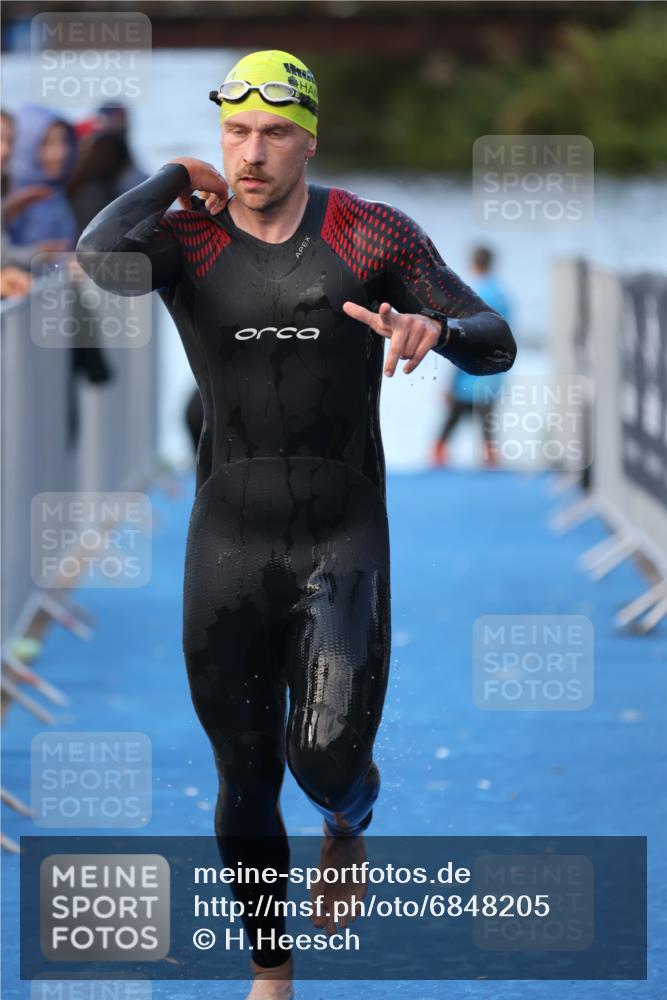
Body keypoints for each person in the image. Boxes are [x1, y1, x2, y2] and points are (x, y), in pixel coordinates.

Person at [76, 50, 516, 999]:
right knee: (243, 774)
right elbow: (92, 254)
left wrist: (434, 332)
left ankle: (348, 825)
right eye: (235, 132)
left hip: (342, 533)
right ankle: (270, 973)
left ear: (308, 135)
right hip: (226, 537)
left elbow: (495, 338)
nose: (253, 152)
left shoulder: (367, 231)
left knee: (325, 761)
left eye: (275, 132)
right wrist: (168, 178)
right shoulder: (187, 240)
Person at [432, 245, 514, 467]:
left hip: (468, 376)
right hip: (494, 373)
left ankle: (435, 469)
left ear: (473, 264)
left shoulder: (473, 296)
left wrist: (449, 382)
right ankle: (492, 473)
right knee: (487, 429)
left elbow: (462, 338)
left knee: (449, 426)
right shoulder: (503, 295)